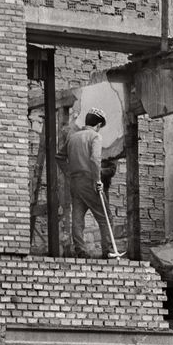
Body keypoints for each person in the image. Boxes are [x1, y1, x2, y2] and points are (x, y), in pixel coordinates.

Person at [57, 107, 112, 258]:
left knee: (78, 218)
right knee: (104, 216)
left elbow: (59, 157)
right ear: (99, 125)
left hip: (75, 182)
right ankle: (108, 250)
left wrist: (69, 173)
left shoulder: (73, 137)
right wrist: (97, 180)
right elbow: (95, 159)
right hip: (89, 181)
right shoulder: (95, 137)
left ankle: (80, 250)